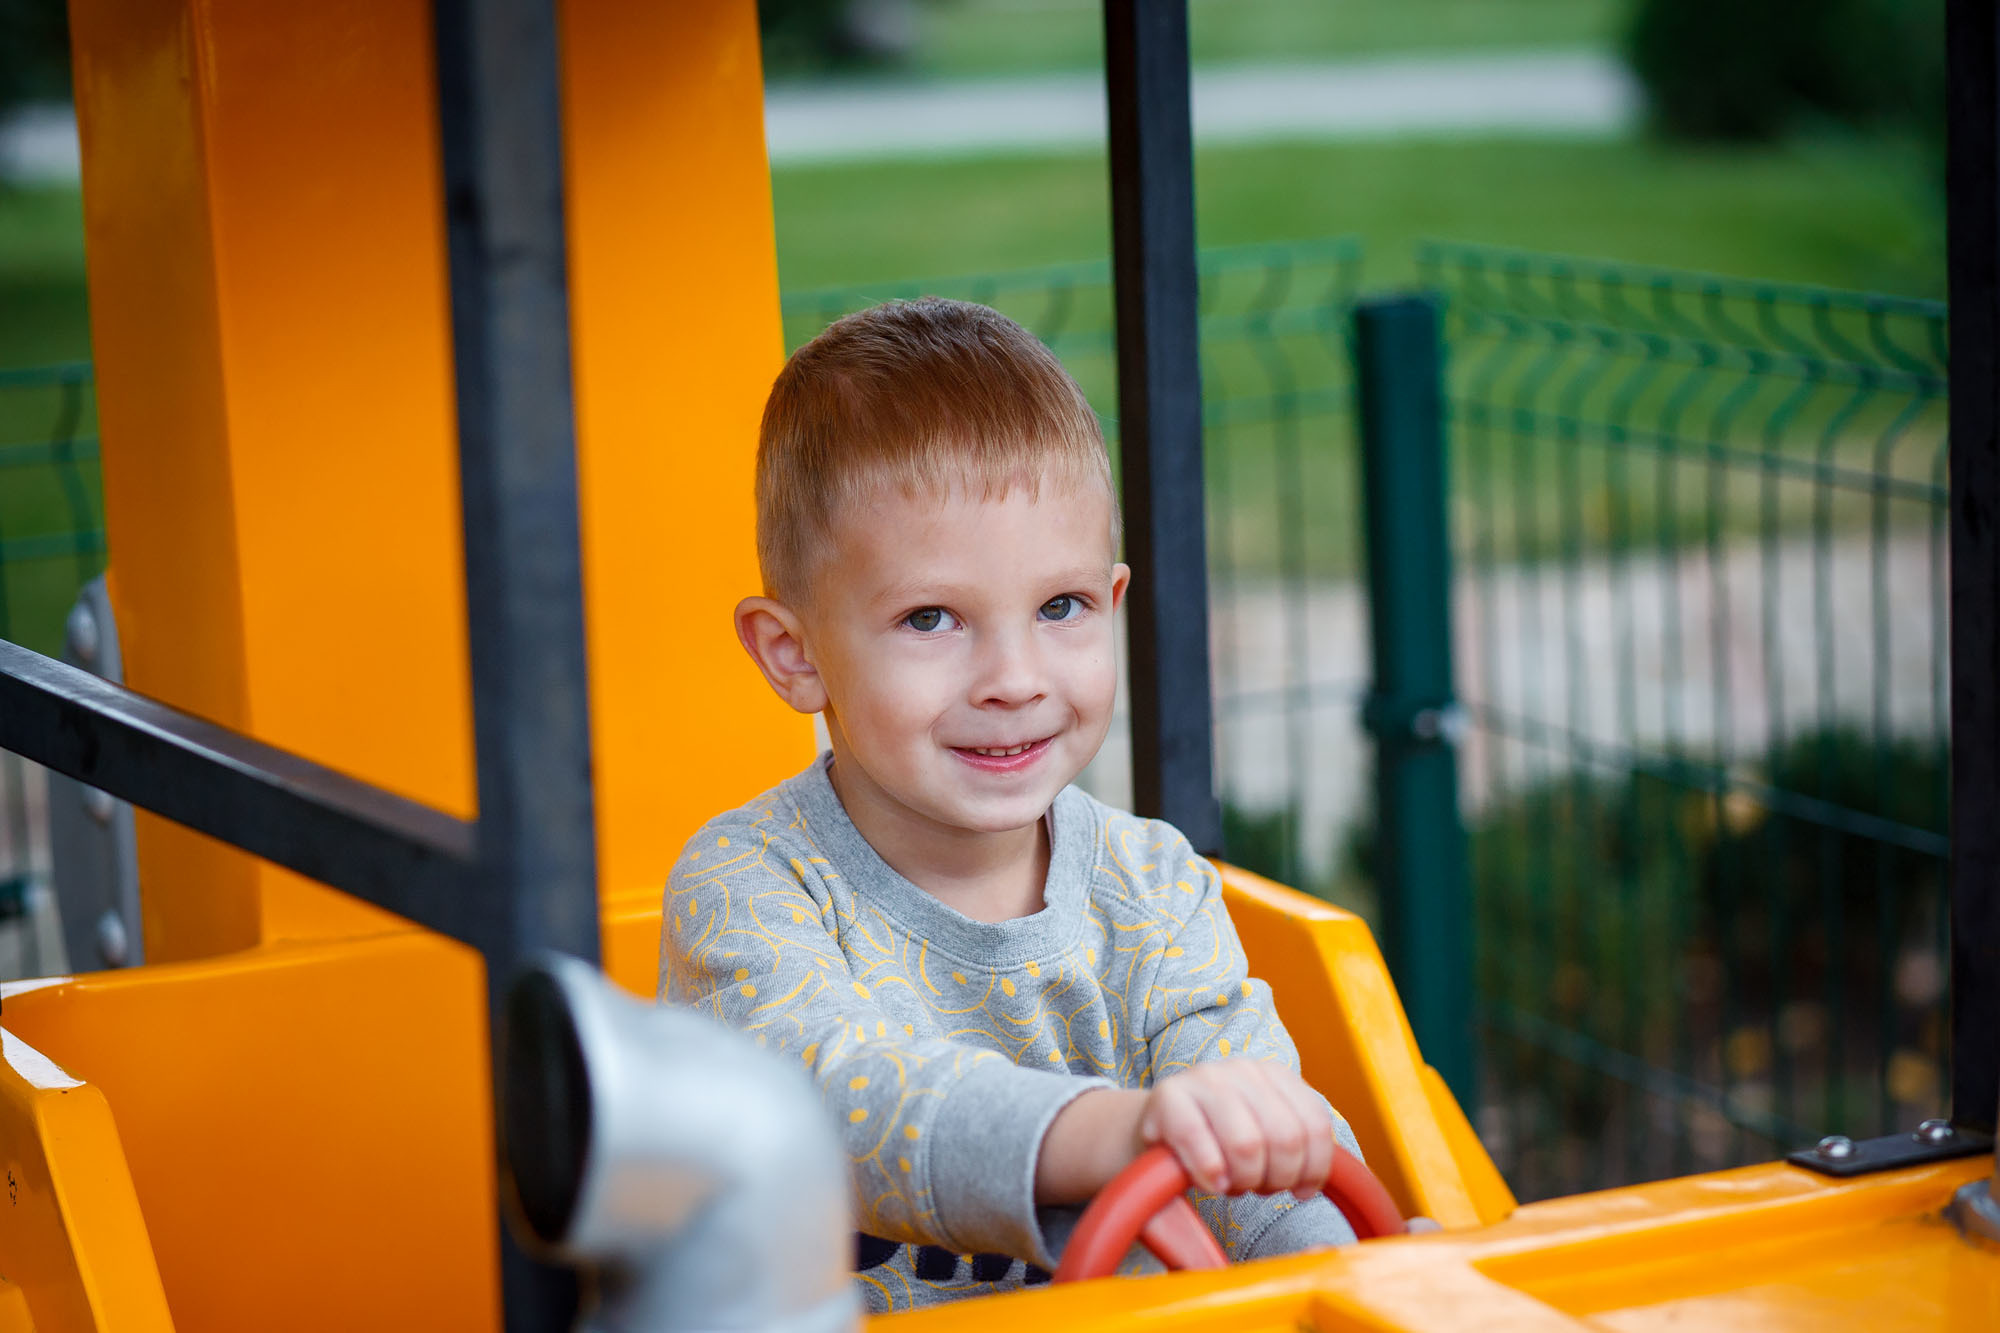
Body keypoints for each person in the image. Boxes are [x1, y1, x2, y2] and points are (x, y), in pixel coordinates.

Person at [660, 297, 1363, 1312]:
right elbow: (843, 1109)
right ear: (795, 652)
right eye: (931, 618)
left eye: (1058, 607)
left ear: (1111, 604)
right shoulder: (747, 890)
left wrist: (1346, 1273)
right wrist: (1113, 1130)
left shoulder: (1155, 891)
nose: (1014, 679)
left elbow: (1262, 1169)